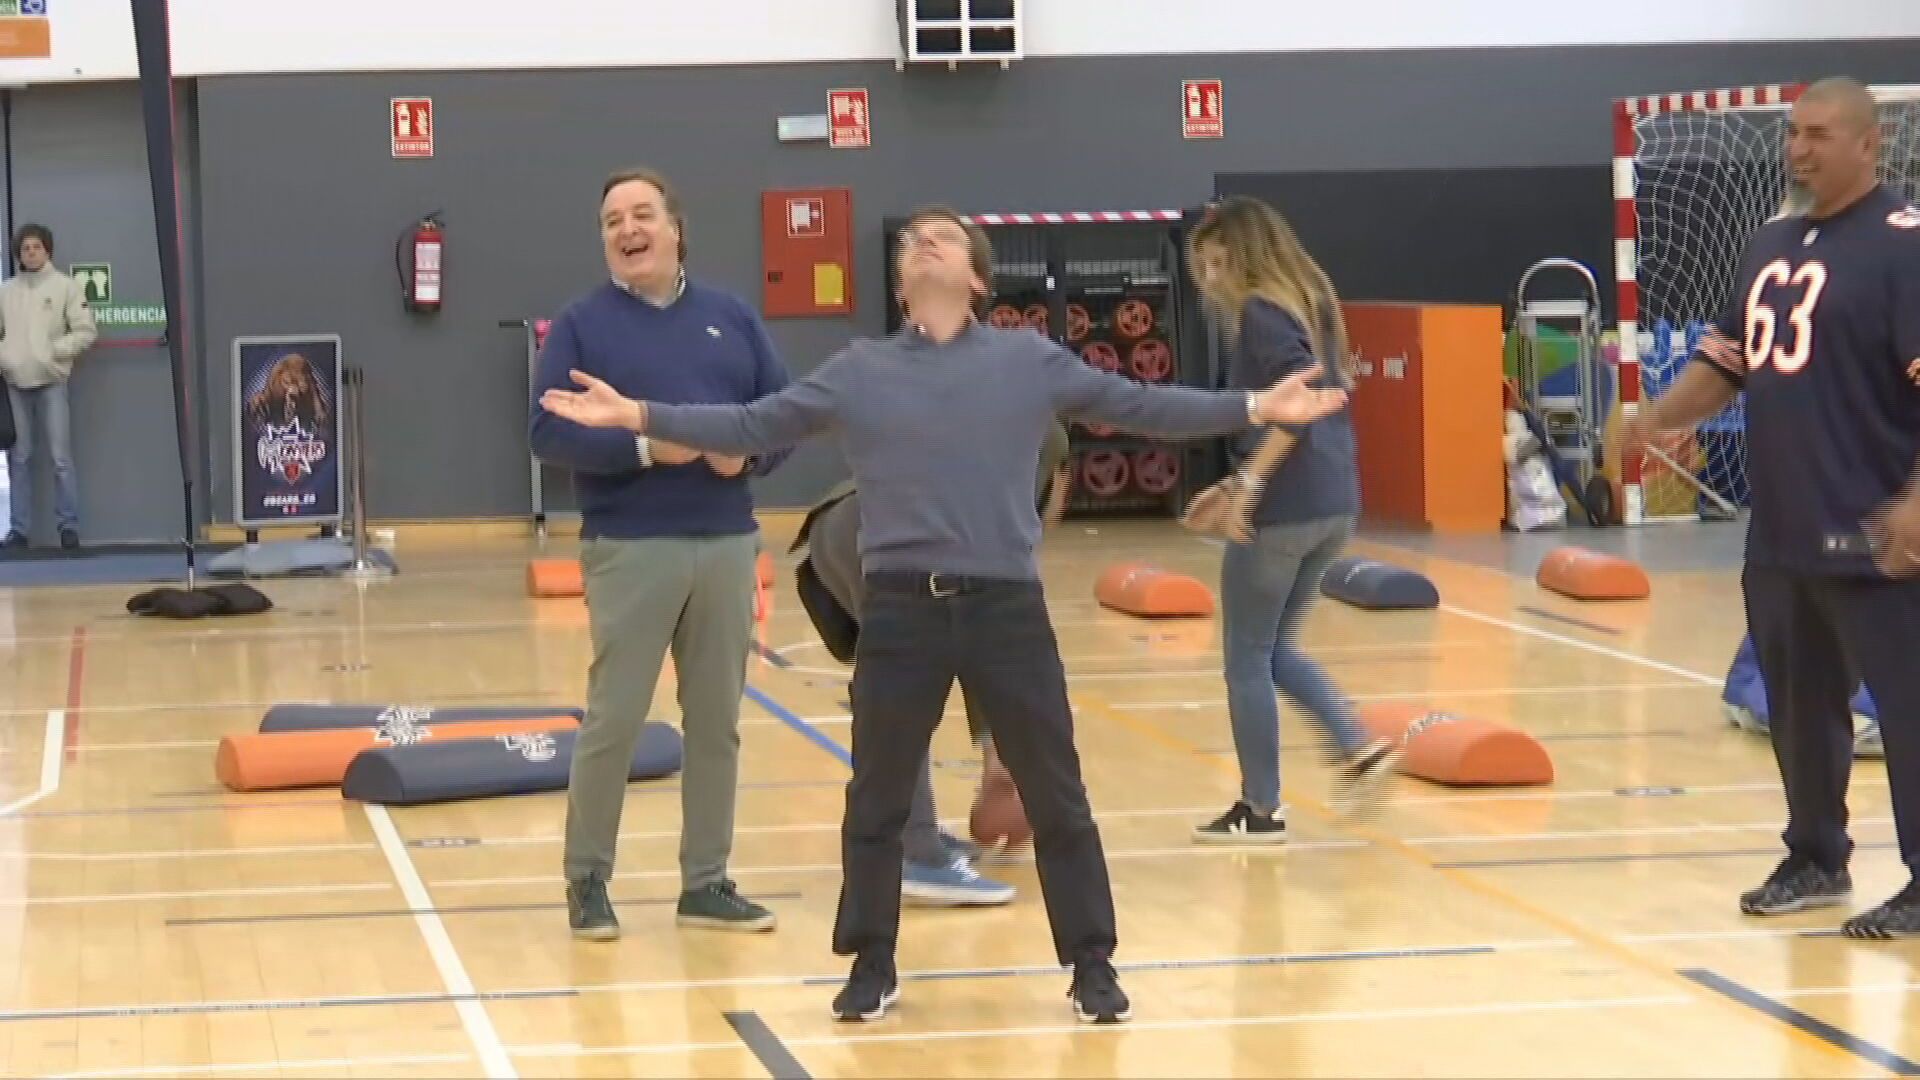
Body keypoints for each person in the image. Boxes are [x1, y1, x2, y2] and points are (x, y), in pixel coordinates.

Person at [540, 204, 1352, 1023]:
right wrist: (639, 415)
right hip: (900, 610)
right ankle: (870, 963)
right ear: (901, 284)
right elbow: (751, 424)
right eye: (910, 241)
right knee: (877, 801)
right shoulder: (860, 370)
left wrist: (1254, 409)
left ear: (974, 277)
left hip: (1005, 609)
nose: (922, 241)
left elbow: (1143, 405)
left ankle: (1092, 965)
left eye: (944, 237)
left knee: (1058, 795)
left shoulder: (1028, 361)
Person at [1617, 77, 1920, 938]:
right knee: (1799, 708)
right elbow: (1729, 362)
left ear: (1870, 145)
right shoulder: (1769, 243)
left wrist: (1916, 503)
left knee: (1909, 711)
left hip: (1880, 539)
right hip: (1783, 535)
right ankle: (1816, 857)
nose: (1798, 149)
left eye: (1819, 134)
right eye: (1793, 133)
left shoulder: (1904, 248)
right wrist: (1654, 420)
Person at [528, 167, 793, 941]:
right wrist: (645, 448)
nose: (626, 229)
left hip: (726, 546)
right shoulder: (580, 324)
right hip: (630, 549)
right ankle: (588, 882)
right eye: (612, 220)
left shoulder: (732, 318)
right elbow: (547, 432)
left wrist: (743, 460)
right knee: (615, 719)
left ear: (676, 228)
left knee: (716, 724)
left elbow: (781, 418)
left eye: (642, 214)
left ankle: (706, 883)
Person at [1183, 196, 1401, 842]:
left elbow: (1292, 411)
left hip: (1283, 509)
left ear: (1244, 256)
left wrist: (1245, 487)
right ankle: (1357, 745)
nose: (1211, 279)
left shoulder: (1262, 312)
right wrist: (1232, 480)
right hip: (1334, 501)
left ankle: (1261, 808)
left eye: (1217, 263)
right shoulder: (1314, 302)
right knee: (1274, 648)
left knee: (1245, 657)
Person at [790, 416, 1072, 906]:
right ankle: (914, 853)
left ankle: (901, 836)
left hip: (840, 524)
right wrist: (1003, 762)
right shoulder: (1044, 436)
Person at [0, 224, 97, 550]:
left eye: (36, 247)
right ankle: (19, 530)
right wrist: (7, 357)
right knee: (20, 458)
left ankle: (68, 527)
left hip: (53, 382)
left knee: (60, 458)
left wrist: (54, 352)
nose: (31, 253)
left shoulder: (66, 287)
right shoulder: (6, 291)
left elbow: (86, 331)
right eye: (25, 248)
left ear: (47, 251)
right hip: (16, 383)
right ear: (19, 254)